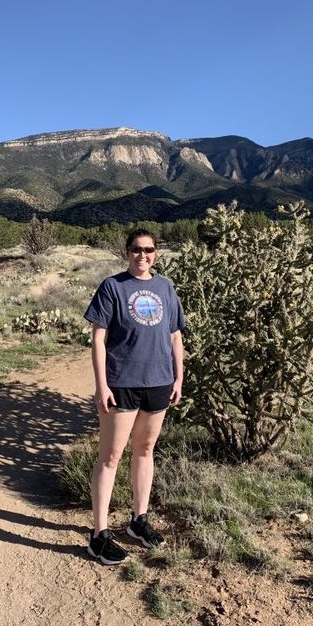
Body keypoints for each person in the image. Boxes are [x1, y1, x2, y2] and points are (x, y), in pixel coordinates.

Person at [82, 229, 185, 565]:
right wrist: (102, 385)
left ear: (157, 252)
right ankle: (99, 535)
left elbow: (174, 336)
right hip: (122, 381)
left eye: (149, 250)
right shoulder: (113, 287)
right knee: (110, 456)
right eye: (137, 250)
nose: (143, 256)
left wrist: (178, 376)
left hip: (158, 381)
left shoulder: (165, 287)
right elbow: (98, 340)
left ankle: (139, 521)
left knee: (144, 450)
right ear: (127, 252)